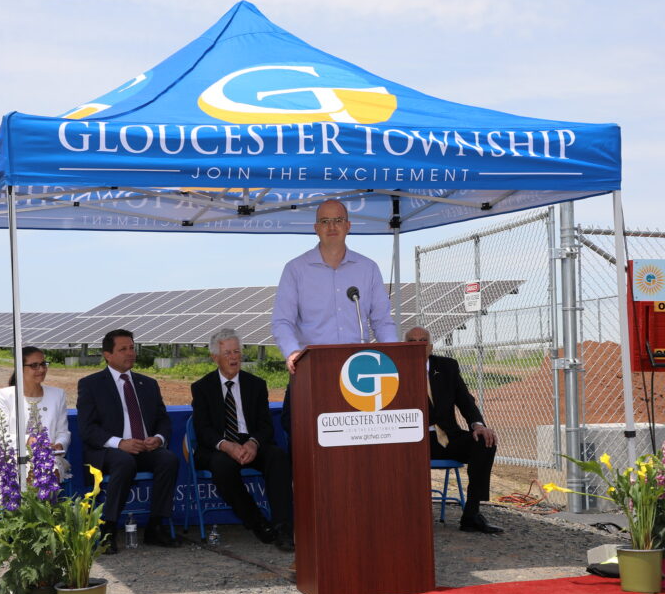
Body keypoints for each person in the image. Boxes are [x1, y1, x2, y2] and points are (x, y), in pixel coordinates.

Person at [77, 329, 180, 552]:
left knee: (168, 460)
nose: (130, 353)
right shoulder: (91, 384)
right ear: (107, 354)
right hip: (110, 451)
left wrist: (159, 439)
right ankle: (108, 529)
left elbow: (163, 420)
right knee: (124, 462)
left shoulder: (148, 384)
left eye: (132, 348)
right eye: (123, 349)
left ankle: (156, 527)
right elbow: (87, 429)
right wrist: (119, 443)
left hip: (145, 448)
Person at [191, 329, 294, 551]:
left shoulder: (256, 384)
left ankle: (284, 528)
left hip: (251, 443)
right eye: (227, 353)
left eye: (237, 351)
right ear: (214, 357)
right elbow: (203, 430)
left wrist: (253, 443)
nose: (234, 357)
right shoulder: (202, 388)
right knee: (222, 465)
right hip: (219, 446)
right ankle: (257, 522)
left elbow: (266, 426)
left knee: (277, 457)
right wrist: (227, 446)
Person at [271, 198, 397, 375]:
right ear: (316, 229)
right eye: (325, 222)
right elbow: (282, 322)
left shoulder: (368, 268)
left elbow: (382, 321)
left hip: (359, 370)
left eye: (338, 221)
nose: (332, 227)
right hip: (311, 369)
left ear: (348, 226)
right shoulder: (295, 269)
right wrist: (292, 352)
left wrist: (394, 354)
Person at [404, 326, 504, 534]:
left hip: (448, 438)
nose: (418, 346)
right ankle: (405, 517)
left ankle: (472, 515)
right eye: (412, 342)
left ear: (430, 346)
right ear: (404, 346)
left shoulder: (447, 367)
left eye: (422, 341)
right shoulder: (394, 370)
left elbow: (465, 401)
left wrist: (478, 424)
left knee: (485, 442)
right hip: (412, 440)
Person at [0, 346, 71, 488]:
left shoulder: (57, 395)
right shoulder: (5, 395)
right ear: (20, 368)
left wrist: (60, 444)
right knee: (15, 476)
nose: (41, 370)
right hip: (12, 457)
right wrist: (28, 440)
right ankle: (18, 510)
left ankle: (44, 510)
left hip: (49, 458)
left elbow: (63, 432)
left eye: (43, 364)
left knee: (46, 472)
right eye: (34, 366)